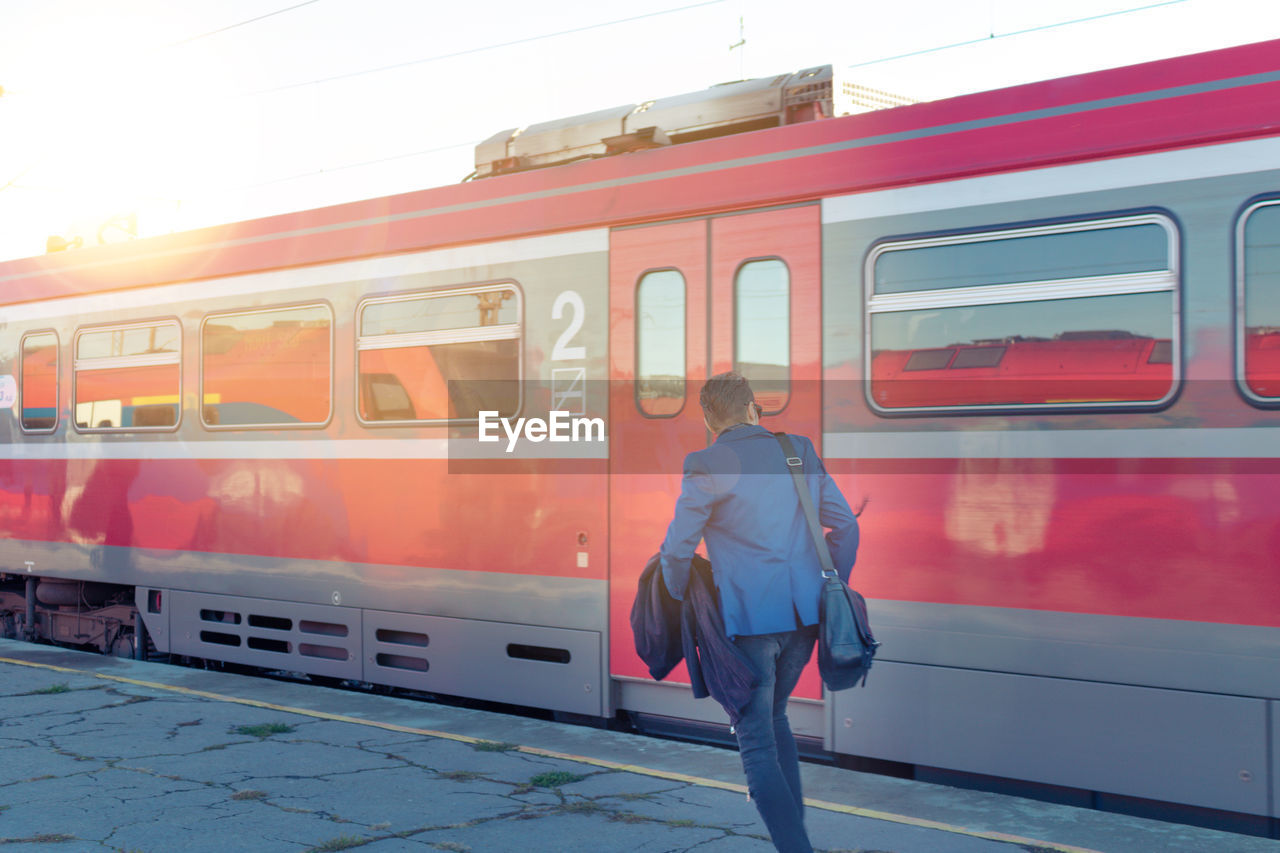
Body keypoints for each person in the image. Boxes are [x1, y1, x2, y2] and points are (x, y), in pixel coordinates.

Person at [659, 372, 860, 853]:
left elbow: (676, 552)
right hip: (807, 621)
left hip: (748, 624)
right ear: (753, 408)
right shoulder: (798, 450)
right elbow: (846, 527)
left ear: (709, 418)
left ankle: (796, 849)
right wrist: (831, 585)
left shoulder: (707, 462)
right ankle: (798, 841)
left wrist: (681, 600)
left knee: (756, 740)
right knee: (776, 719)